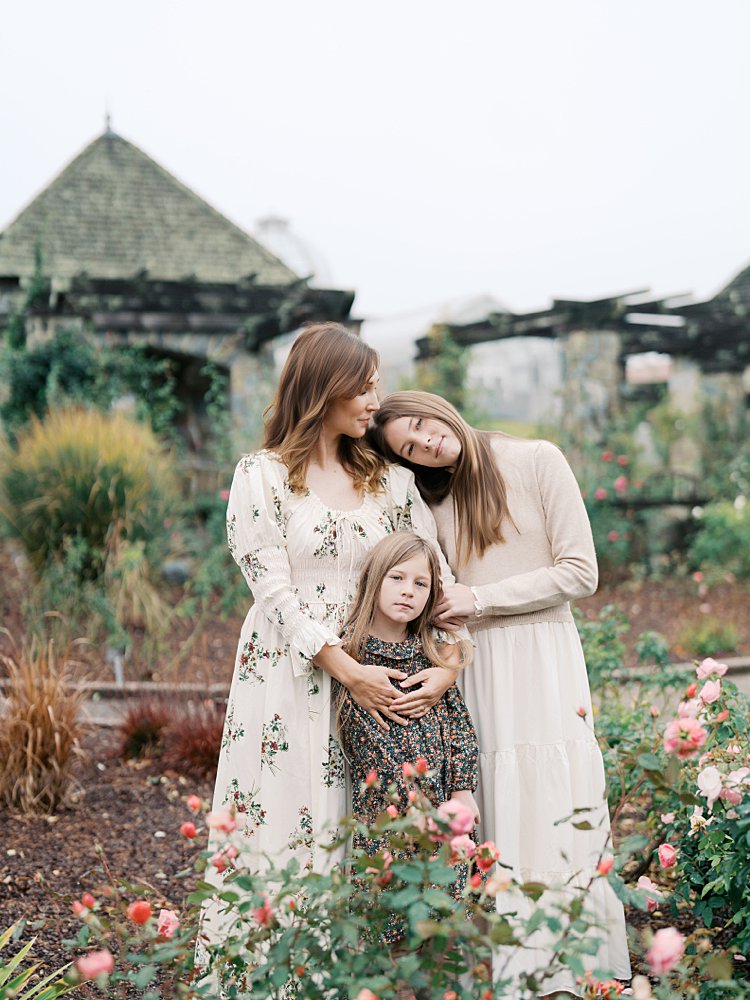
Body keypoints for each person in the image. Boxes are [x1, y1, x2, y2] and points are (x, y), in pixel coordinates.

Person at [197, 327, 463, 971]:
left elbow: (439, 581)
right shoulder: (260, 476)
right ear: (325, 388)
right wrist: (345, 669)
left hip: (384, 671)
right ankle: (272, 971)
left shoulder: (392, 484)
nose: (379, 398)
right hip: (292, 671)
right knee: (288, 810)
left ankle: (358, 975)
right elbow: (273, 592)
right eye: (366, 385)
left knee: (367, 815)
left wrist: (449, 668)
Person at [369, 391, 631, 996]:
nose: (427, 442)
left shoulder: (538, 459)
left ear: (433, 408)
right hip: (481, 666)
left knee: (554, 796)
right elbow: (434, 593)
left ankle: (572, 965)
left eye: (420, 426)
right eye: (410, 448)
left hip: (543, 654)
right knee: (497, 799)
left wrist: (483, 599)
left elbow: (581, 571)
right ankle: (509, 966)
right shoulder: (429, 504)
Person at [336, 530, 479, 944]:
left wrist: (462, 791)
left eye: (421, 584)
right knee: (387, 926)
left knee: (439, 928)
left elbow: (458, 726)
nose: (408, 592)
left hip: (437, 811)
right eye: (396, 579)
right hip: (384, 816)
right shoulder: (353, 657)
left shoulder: (431, 655)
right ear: (374, 581)